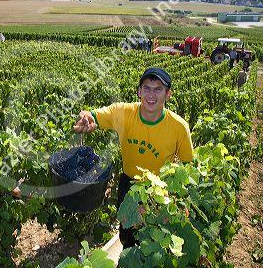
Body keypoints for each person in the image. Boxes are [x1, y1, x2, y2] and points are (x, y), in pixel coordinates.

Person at [73, 67, 193, 248]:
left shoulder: (179, 127)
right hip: (128, 186)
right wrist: (86, 118)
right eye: (146, 88)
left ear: (168, 94)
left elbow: (188, 170)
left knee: (154, 243)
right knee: (128, 238)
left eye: (158, 89)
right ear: (139, 91)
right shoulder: (123, 113)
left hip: (159, 192)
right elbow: (94, 116)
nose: (151, 94)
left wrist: (175, 203)